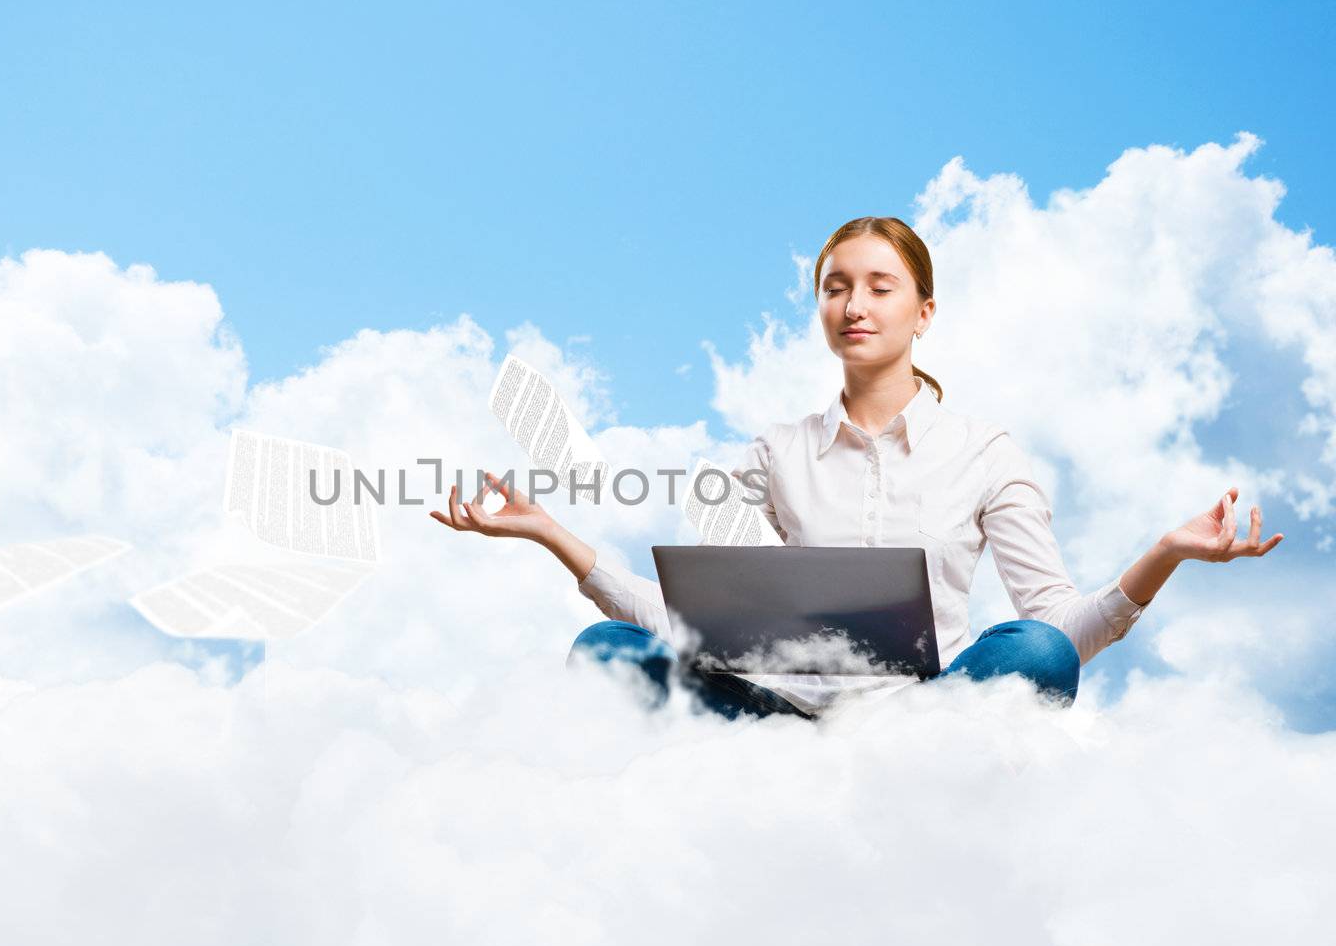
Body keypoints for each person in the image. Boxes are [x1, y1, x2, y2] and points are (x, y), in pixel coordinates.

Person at [431, 216, 1285, 720]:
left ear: (925, 310)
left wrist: (1165, 553)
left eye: (880, 286)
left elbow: (1062, 626)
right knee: (607, 649)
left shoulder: (986, 452)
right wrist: (549, 532)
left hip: (927, 716)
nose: (855, 304)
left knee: (1034, 650)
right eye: (836, 287)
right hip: (775, 714)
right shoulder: (771, 457)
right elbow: (691, 621)